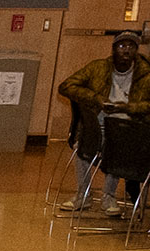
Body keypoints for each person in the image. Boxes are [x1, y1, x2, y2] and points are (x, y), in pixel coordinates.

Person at [56, 31, 150, 215]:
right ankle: (83, 195)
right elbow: (66, 86)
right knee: (82, 144)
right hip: (99, 121)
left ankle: (109, 196)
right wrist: (97, 99)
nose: (127, 50)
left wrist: (126, 108)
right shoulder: (98, 67)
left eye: (131, 47)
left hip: (128, 125)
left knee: (115, 145)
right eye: (122, 46)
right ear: (114, 49)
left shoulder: (146, 74)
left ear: (136, 52)